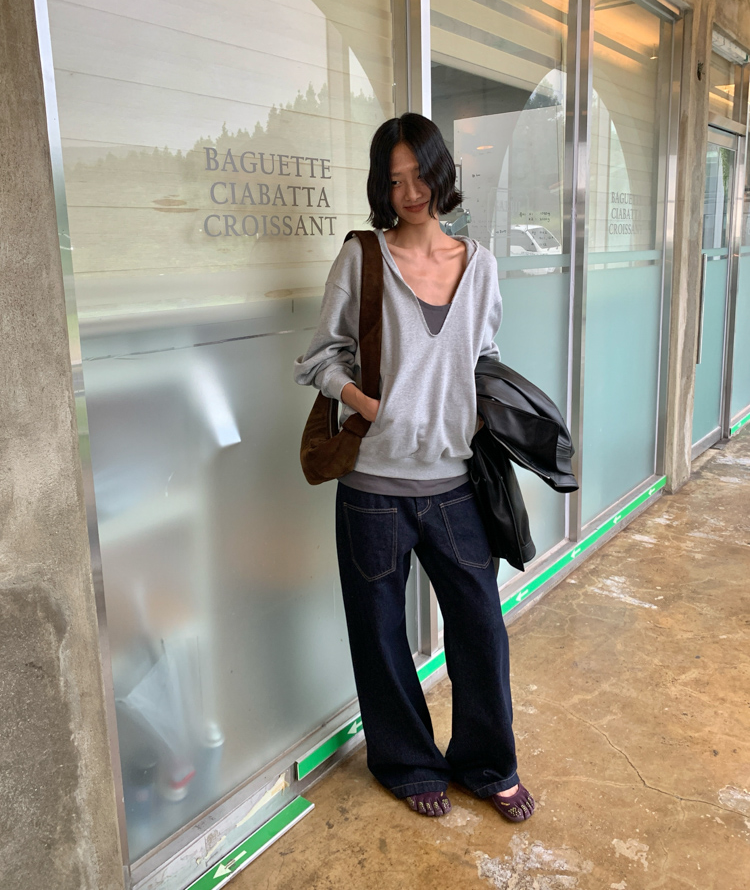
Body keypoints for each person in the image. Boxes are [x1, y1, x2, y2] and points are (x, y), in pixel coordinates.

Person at [293, 113, 534, 822]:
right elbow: (320, 358)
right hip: (372, 487)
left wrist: (483, 411)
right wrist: (366, 401)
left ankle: (488, 764)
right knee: (379, 634)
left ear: (441, 173)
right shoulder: (362, 258)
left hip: (453, 482)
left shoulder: (480, 264)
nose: (410, 191)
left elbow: (483, 356)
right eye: (394, 180)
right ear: (382, 187)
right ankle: (407, 763)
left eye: (420, 174)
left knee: (480, 630)